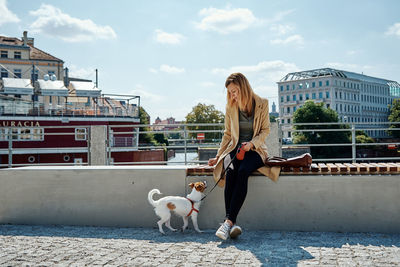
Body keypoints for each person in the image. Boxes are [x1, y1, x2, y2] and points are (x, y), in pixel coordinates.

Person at [208, 72, 279, 240]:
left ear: (244, 87)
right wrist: (219, 155)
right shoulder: (230, 106)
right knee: (230, 171)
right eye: (230, 92)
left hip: (255, 150)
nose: (232, 95)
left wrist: (252, 144)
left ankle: (227, 223)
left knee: (243, 171)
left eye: (235, 91)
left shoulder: (262, 103)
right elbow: (227, 134)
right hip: (234, 149)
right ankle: (230, 223)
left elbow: (265, 130)